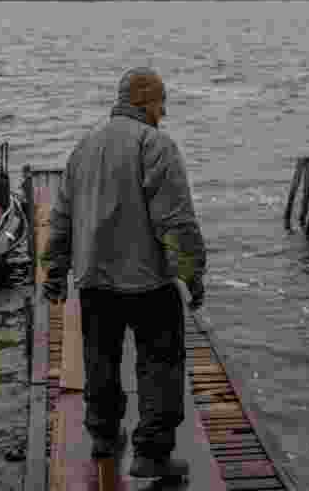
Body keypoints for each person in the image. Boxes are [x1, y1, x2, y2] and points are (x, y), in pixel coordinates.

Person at [42, 67, 207, 479]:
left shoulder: (84, 148)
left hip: (94, 279)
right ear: (147, 102)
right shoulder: (157, 147)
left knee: (101, 358)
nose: (164, 113)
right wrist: (192, 274)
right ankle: (151, 453)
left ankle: (103, 435)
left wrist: (55, 271)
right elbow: (177, 222)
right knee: (159, 363)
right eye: (161, 103)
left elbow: (60, 217)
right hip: (148, 281)